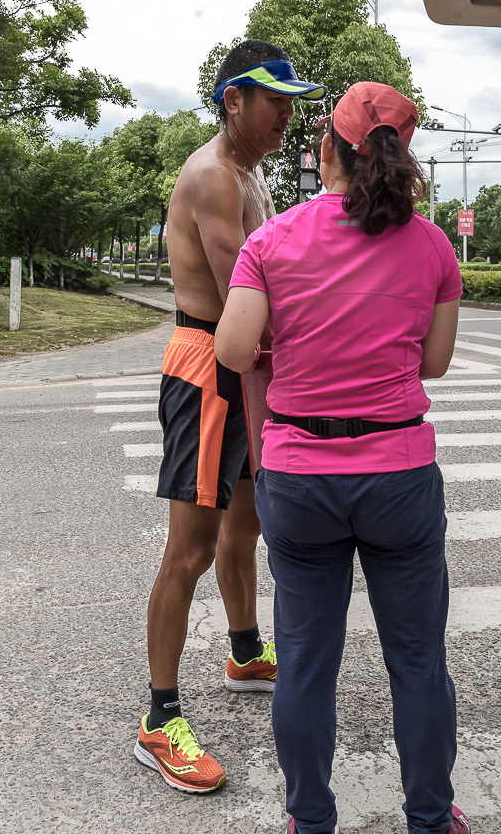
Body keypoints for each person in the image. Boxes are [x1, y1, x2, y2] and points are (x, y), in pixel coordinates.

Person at [215, 81, 470, 834]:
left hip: (298, 475)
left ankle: (310, 818)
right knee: (417, 662)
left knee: (303, 663)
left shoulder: (273, 240)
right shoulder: (431, 244)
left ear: (325, 148)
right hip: (396, 474)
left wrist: (281, 341)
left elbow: (232, 349)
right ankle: (428, 817)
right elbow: (435, 363)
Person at [134, 40, 326, 794]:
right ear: (231, 100)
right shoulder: (214, 176)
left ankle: (245, 650)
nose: (286, 111)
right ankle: (159, 720)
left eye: (291, 99)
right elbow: (244, 291)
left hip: (241, 367)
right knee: (190, 545)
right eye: (272, 98)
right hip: (208, 370)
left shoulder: (250, 173)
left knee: (244, 523)